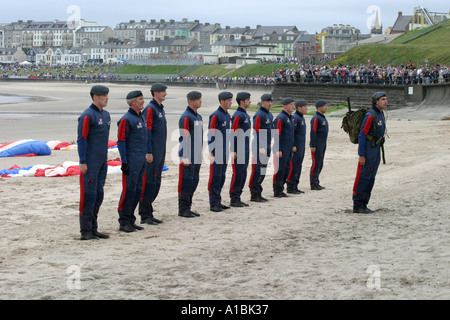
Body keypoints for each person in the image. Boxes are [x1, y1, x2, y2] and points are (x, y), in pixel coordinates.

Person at [77, 85, 111, 241]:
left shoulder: (106, 115)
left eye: (107, 95)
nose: (107, 97)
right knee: (89, 195)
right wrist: (82, 161)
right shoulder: (87, 115)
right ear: (95, 97)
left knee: (99, 194)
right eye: (104, 95)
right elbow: (82, 139)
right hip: (90, 162)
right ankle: (85, 231)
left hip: (102, 161)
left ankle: (94, 228)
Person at [117, 91, 148, 233]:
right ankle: (123, 221)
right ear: (133, 102)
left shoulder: (141, 118)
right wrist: (124, 161)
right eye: (140, 99)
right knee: (129, 190)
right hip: (131, 161)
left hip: (141, 160)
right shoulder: (126, 119)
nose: (143, 101)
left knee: (137, 191)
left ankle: (131, 219)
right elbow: (121, 141)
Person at [353, 92, 388, 214]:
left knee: (371, 178)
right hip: (368, 150)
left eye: (386, 99)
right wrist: (361, 154)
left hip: (376, 149)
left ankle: (364, 204)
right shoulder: (370, 115)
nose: (385, 101)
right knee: (364, 177)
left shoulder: (380, 114)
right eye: (383, 99)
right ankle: (358, 205)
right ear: (376, 101)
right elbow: (362, 134)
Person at [139, 83, 167, 225]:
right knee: (149, 182)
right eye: (163, 91)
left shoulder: (159, 109)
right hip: (152, 153)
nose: (165, 94)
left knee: (156, 183)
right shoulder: (150, 109)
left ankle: (149, 211)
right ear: (156, 93)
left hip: (159, 152)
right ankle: (145, 214)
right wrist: (148, 152)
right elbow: (147, 131)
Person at [178, 91, 203, 218]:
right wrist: (184, 155)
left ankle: (188, 206)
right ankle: (183, 209)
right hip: (189, 155)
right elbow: (184, 138)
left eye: (200, 98)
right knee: (186, 182)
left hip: (197, 155)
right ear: (190, 101)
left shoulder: (198, 117)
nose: (200, 101)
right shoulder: (186, 117)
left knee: (194, 181)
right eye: (197, 99)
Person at [208, 92, 232, 212]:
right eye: (228, 100)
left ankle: (218, 201)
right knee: (215, 176)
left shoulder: (227, 115)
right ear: (221, 101)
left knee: (222, 176)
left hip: (224, 150)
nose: (230, 102)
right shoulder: (215, 115)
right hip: (217, 151)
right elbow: (211, 133)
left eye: (231, 100)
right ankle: (213, 203)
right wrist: (211, 151)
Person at [249, 93, 274, 202]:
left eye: (271, 101)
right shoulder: (259, 115)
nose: (270, 103)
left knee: (263, 171)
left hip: (267, 146)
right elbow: (256, 132)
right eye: (268, 102)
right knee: (257, 171)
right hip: (259, 147)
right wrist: (260, 147)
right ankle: (254, 194)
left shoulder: (270, 115)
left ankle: (258, 192)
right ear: (263, 102)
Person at [229, 92, 252, 207]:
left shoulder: (245, 115)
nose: (250, 102)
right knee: (238, 173)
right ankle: (234, 198)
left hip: (245, 148)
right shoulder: (238, 115)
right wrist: (233, 150)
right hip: (239, 149)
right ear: (242, 101)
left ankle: (238, 196)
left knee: (243, 173)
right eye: (248, 100)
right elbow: (233, 133)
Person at [273, 98, 296, 198]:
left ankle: (281, 188)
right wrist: (278, 149)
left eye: (293, 104)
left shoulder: (291, 118)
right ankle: (277, 190)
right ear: (285, 106)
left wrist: (293, 146)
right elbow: (276, 134)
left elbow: (291, 134)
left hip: (288, 148)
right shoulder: (280, 118)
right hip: (281, 148)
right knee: (280, 170)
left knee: (287, 169)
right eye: (291, 104)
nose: (293, 106)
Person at [287, 100, 308, 194]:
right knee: (294, 166)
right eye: (305, 106)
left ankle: (295, 185)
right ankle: (290, 186)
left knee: (299, 166)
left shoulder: (301, 118)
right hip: (296, 147)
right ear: (299, 108)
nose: (306, 108)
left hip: (301, 146)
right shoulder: (296, 118)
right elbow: (292, 133)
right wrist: (293, 145)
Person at [310, 99, 329, 190]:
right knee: (316, 163)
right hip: (317, 145)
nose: (326, 107)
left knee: (320, 163)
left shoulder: (322, 117)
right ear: (319, 107)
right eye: (324, 105)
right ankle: (313, 183)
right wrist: (313, 145)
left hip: (322, 144)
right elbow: (313, 132)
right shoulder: (316, 118)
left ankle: (316, 181)